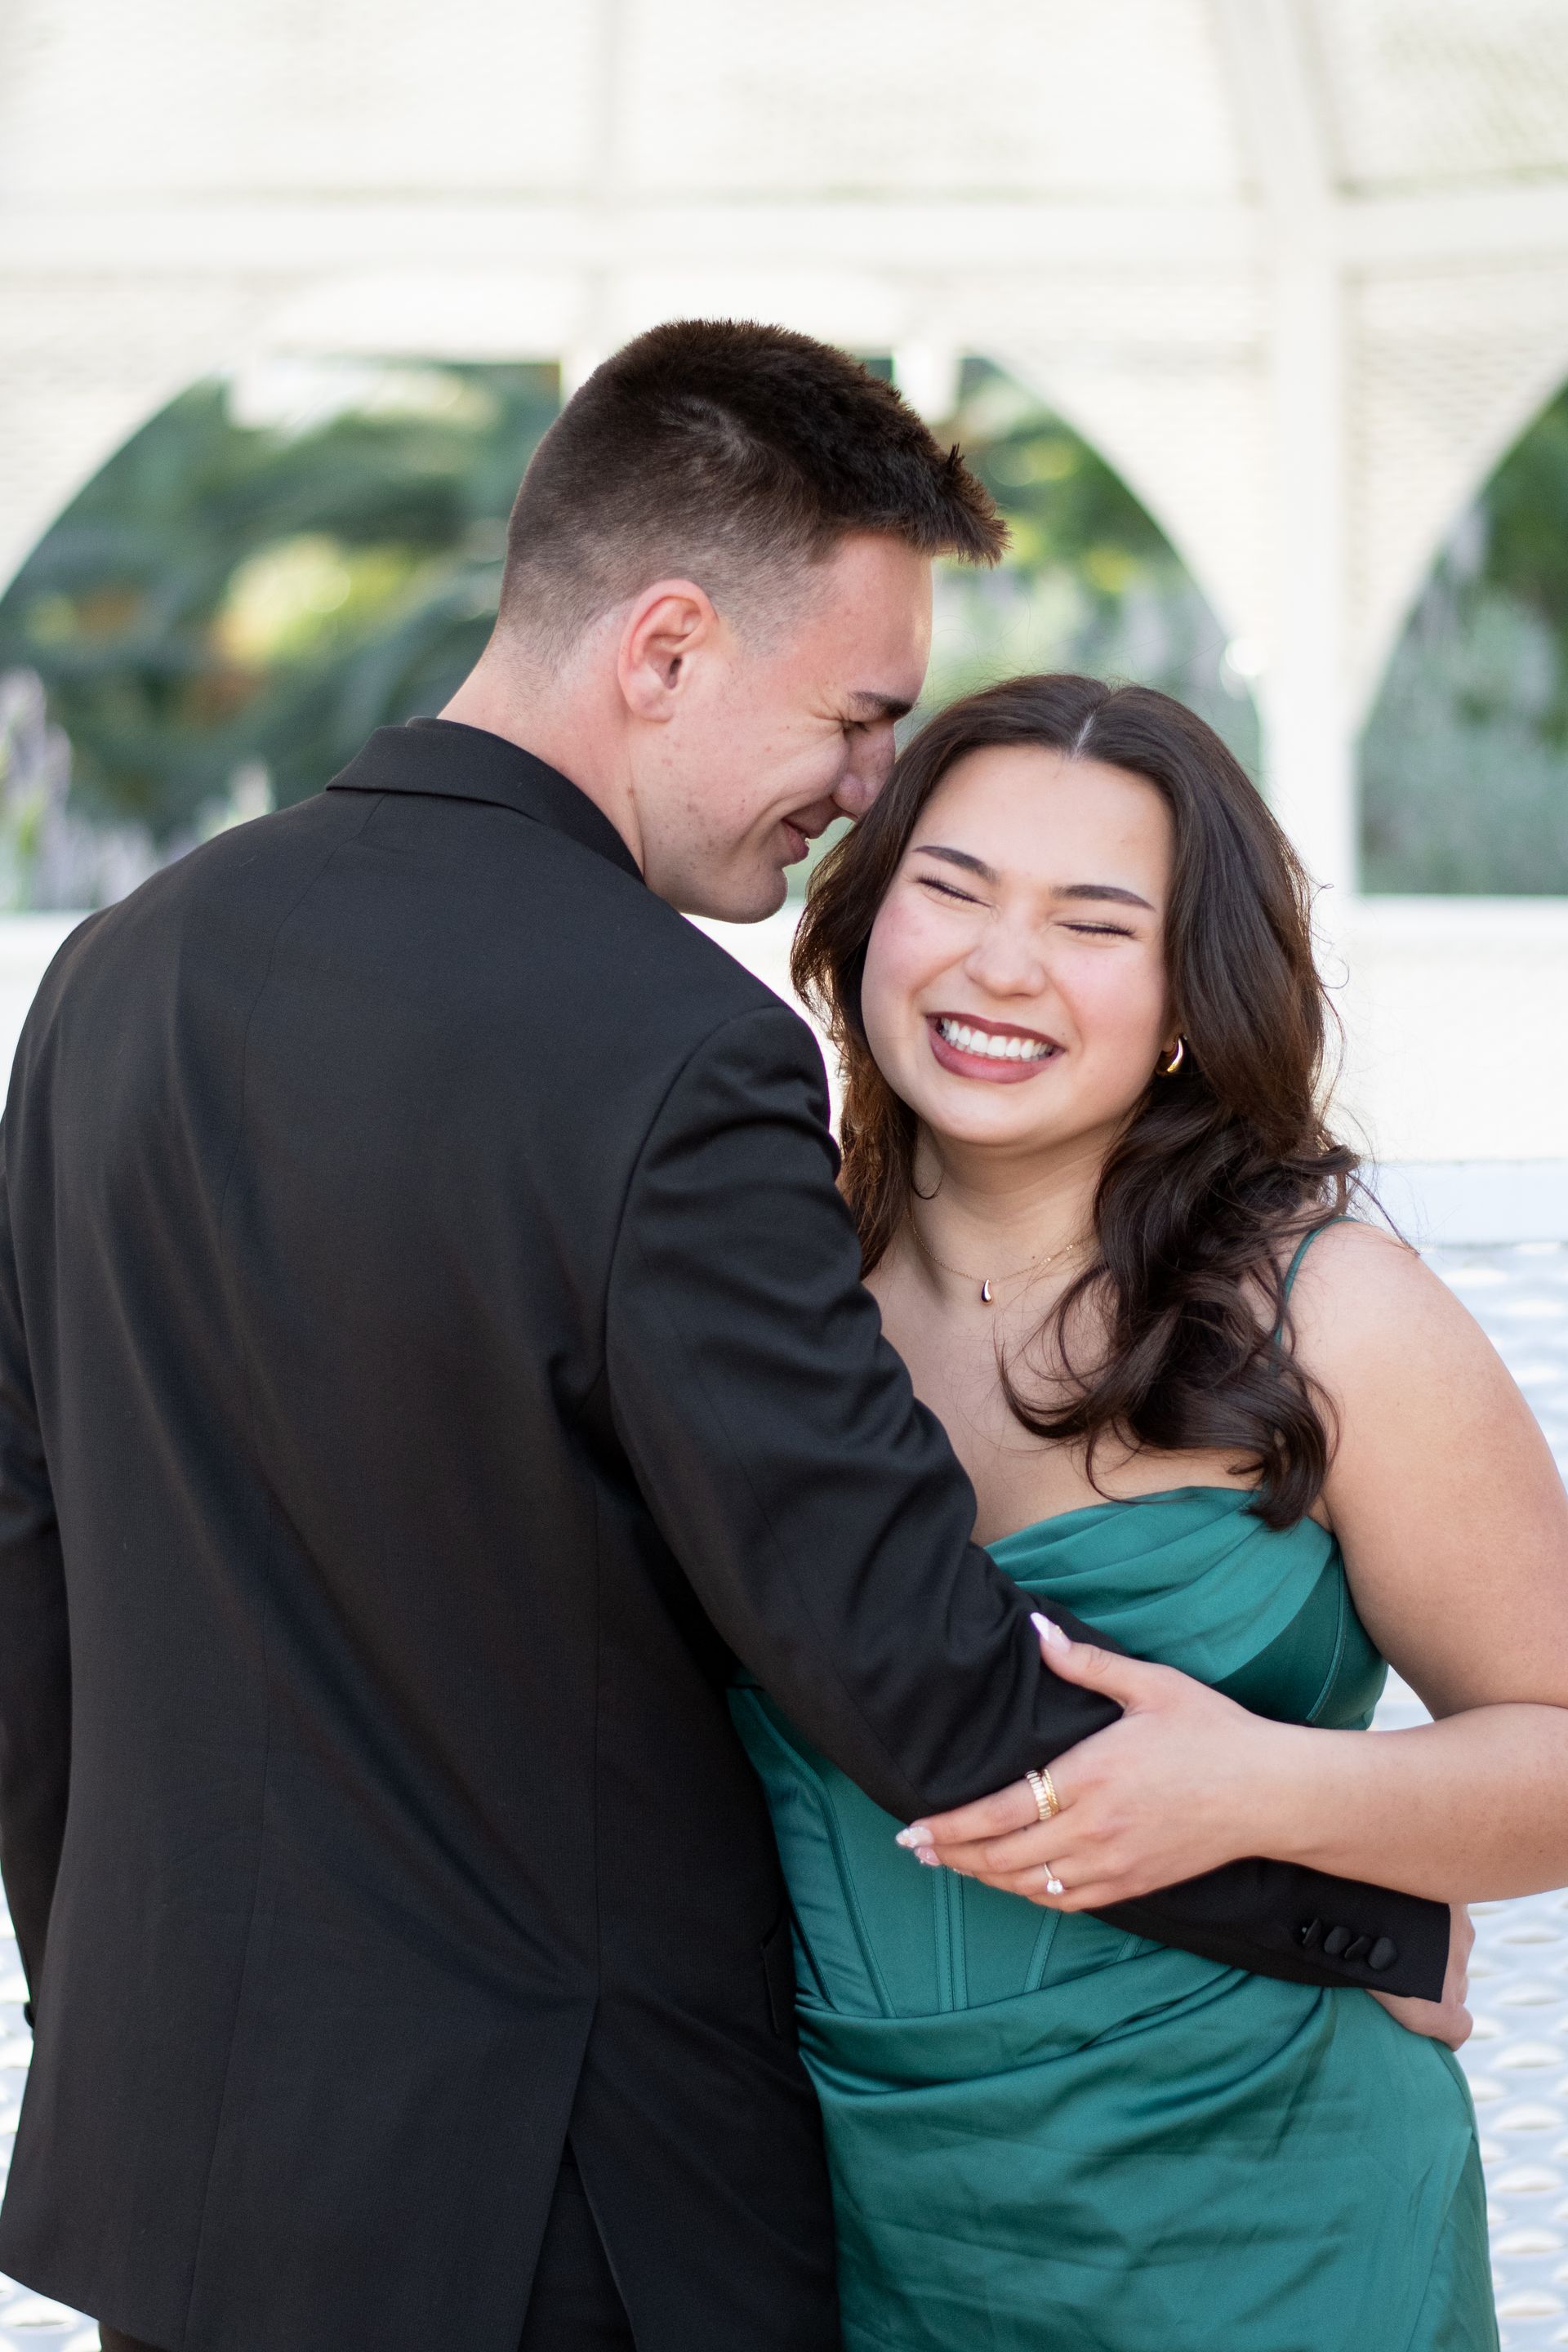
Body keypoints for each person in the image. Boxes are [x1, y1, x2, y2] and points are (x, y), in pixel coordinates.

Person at [0, 328, 1456, 2352]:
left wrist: (124, 2020)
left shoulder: (115, 971)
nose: (869, 786)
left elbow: (34, 1585)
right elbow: (902, 1674)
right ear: (666, 645)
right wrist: (1340, 1910)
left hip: (192, 2184)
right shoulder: (677, 1050)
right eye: (860, 717)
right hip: (568, 2204)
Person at [732, 669, 1568, 2350]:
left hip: (1270, 2224)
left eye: (1093, 925)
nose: (1000, 967)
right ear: (863, 917)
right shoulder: (751, 1298)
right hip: (833, 2216)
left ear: (1193, 992)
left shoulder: (1336, 1318)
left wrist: (1270, 1791)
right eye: (950, 889)